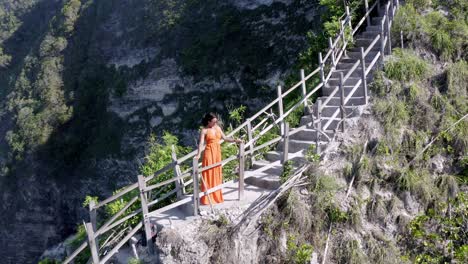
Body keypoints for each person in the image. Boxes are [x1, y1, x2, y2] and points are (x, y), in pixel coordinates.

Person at [194, 113, 242, 205]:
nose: (216, 123)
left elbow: (225, 138)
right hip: (209, 152)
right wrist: (199, 154)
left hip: (217, 152)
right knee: (208, 172)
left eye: (216, 121)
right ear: (209, 121)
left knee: (216, 172)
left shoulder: (218, 128)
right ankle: (207, 198)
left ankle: (216, 196)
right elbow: (201, 143)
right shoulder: (204, 130)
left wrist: (236, 140)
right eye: (214, 121)